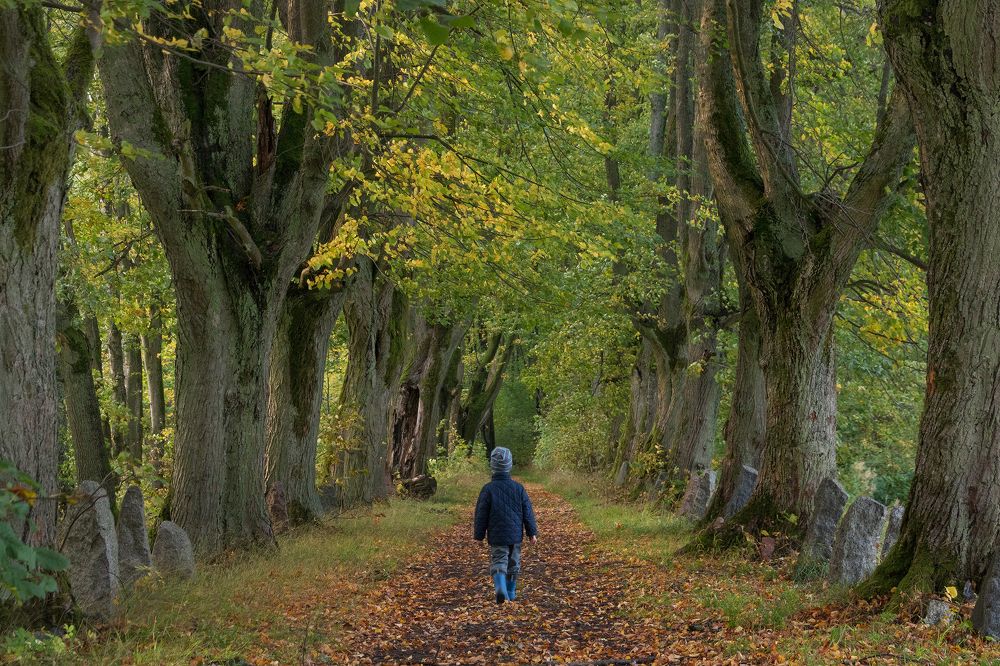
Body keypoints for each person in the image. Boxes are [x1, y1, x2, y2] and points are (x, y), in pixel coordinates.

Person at [473, 447, 538, 604]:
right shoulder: (518, 489)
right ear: (509, 465)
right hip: (515, 535)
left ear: (492, 466)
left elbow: (481, 514)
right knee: (513, 563)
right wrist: (532, 532)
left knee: (499, 560)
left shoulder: (488, 489)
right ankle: (510, 592)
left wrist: (479, 535)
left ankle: (500, 589)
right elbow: (527, 512)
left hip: (497, 535)